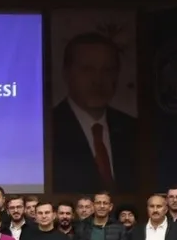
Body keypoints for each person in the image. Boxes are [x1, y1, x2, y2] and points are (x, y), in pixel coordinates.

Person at [51, 31, 137, 194]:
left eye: (107, 70)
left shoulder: (134, 130)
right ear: (67, 74)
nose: (98, 80)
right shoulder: (48, 129)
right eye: (87, 70)